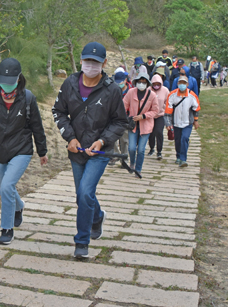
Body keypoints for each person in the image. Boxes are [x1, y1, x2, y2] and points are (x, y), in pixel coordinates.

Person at [52, 42, 129, 260]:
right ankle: (97, 216)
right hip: (77, 151)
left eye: (95, 62)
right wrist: (70, 137)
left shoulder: (112, 90)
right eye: (87, 61)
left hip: (100, 152)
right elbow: (58, 112)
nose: (91, 65)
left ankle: (82, 241)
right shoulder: (69, 84)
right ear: (81, 60)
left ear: (104, 63)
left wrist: (103, 141)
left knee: (85, 192)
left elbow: (120, 122)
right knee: (81, 196)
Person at [0, 58, 48, 245]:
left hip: (21, 149)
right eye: (3, 82)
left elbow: (37, 126)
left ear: (18, 78)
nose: (6, 87)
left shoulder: (28, 98)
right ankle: (19, 206)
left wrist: (42, 151)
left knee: (6, 186)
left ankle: (7, 229)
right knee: (4, 186)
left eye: (10, 82)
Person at [123, 71, 159, 178]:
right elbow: (124, 105)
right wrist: (124, 117)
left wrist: (143, 116)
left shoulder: (152, 95)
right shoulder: (131, 92)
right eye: (139, 81)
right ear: (136, 82)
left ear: (147, 83)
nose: (141, 84)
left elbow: (155, 110)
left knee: (141, 150)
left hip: (145, 125)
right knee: (132, 148)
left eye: (144, 82)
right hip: (133, 125)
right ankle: (132, 162)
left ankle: (138, 169)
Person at [165, 73, 201, 168]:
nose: (182, 84)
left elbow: (196, 108)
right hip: (176, 122)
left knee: (184, 139)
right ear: (177, 83)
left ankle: (183, 159)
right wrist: (168, 123)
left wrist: (196, 120)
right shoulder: (172, 95)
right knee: (177, 140)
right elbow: (168, 110)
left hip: (187, 122)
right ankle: (178, 155)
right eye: (180, 82)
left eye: (184, 83)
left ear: (187, 84)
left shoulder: (192, 96)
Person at [146, 73, 169, 161]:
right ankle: (152, 148)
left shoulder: (165, 90)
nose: (156, 86)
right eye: (154, 84)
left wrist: (165, 110)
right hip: (150, 115)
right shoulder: (148, 90)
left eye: (158, 84)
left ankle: (159, 151)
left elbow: (168, 102)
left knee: (158, 132)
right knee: (151, 133)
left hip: (160, 115)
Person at [114, 70, 131, 159]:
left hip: (126, 118)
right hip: (114, 118)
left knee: (124, 140)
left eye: (120, 82)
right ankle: (116, 155)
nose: (118, 84)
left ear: (125, 80)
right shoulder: (114, 90)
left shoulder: (131, 91)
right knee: (112, 138)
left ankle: (124, 157)